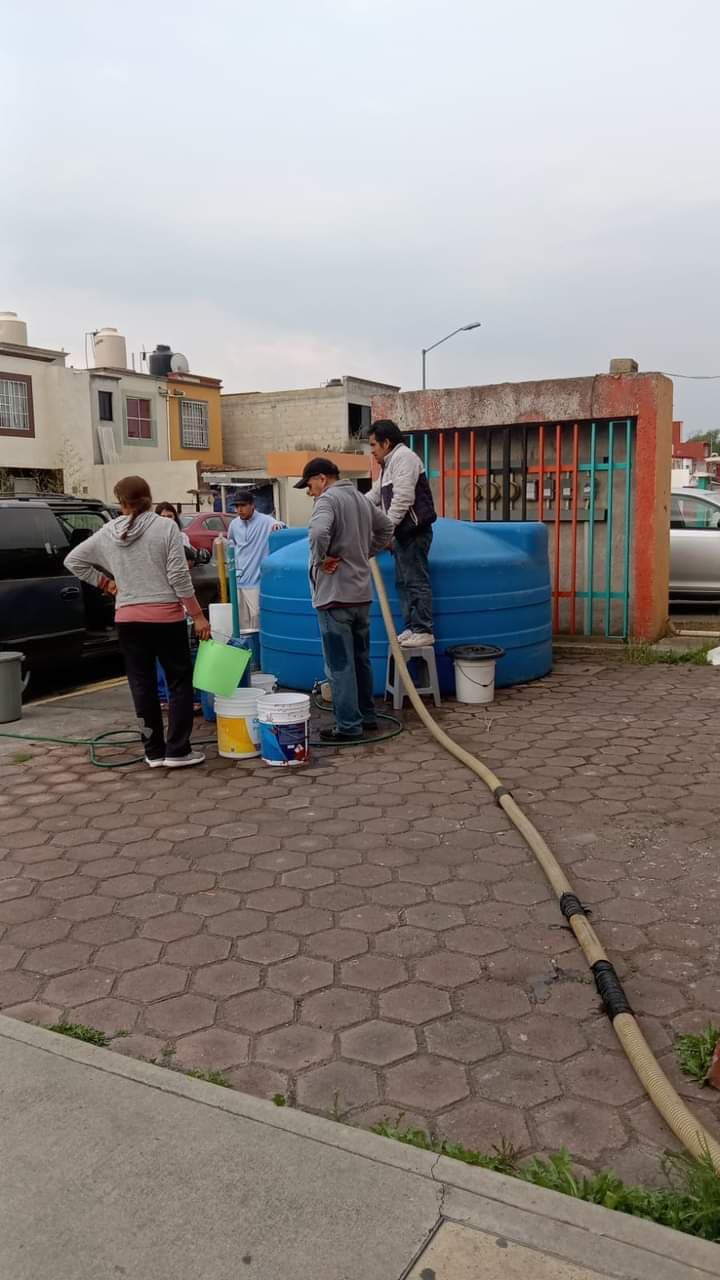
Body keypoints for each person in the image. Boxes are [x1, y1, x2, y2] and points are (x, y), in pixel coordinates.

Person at [64, 475, 211, 769]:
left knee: (141, 684)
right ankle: (178, 751)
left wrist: (107, 584)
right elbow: (179, 577)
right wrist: (196, 614)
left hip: (128, 620)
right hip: (165, 618)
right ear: (149, 497)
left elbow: (74, 560)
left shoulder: (108, 532)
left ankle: (154, 752)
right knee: (179, 682)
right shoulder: (165, 527)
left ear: (121, 503)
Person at [295, 457, 393, 742]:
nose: (309, 491)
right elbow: (386, 528)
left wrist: (322, 559)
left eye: (310, 484)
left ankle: (349, 726)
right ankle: (367, 715)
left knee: (339, 665)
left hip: (335, 597)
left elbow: (317, 531)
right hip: (361, 596)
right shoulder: (362, 500)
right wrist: (364, 554)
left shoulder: (328, 501)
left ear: (322, 479)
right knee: (361, 659)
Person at [368, 419, 437, 647]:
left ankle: (423, 629)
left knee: (415, 581)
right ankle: (410, 627)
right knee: (403, 582)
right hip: (402, 534)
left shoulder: (404, 458)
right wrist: (352, 504)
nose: (372, 452)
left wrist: (387, 530)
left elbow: (403, 498)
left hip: (414, 532)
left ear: (386, 443)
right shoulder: (388, 465)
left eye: (373, 446)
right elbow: (375, 495)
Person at [227, 490, 284, 629]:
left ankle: (258, 650)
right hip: (239, 581)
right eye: (237, 506)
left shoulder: (265, 521)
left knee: (258, 621)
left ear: (252, 505)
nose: (239, 509)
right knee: (241, 624)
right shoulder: (234, 525)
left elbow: (280, 525)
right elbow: (231, 545)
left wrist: (279, 526)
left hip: (256, 581)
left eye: (243, 505)